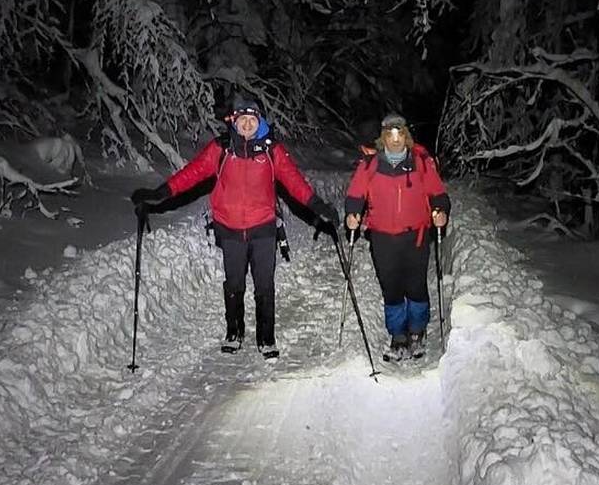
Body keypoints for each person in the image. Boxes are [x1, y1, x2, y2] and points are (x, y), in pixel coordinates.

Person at [131, 93, 339, 360]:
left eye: (252, 119)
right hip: (230, 229)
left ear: (259, 120)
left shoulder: (271, 150)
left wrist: (318, 205)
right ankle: (234, 332)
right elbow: (192, 173)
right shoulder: (221, 149)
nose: (248, 124)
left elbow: (295, 182)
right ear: (234, 120)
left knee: (264, 284)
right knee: (234, 283)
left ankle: (267, 338)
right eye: (243, 119)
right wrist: (161, 192)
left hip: (263, 228)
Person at [343, 112, 449, 363]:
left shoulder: (421, 162)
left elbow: (438, 193)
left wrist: (441, 211)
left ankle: (417, 331)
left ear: (406, 136)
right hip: (382, 237)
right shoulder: (370, 165)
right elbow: (355, 195)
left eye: (399, 134)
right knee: (391, 287)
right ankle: (398, 335)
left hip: (416, 235)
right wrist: (352, 214)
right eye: (389, 134)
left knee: (415, 285)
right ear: (383, 138)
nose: (394, 139)